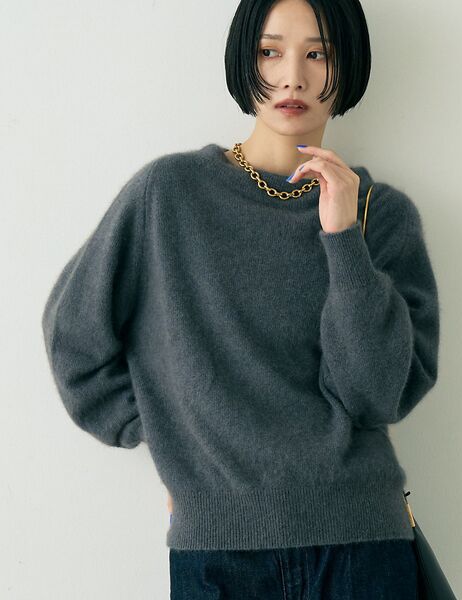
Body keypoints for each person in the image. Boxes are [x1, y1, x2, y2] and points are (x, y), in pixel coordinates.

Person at [41, 0, 440, 597]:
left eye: (319, 54)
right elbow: (75, 340)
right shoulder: (168, 195)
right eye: (270, 52)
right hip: (218, 555)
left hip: (363, 546)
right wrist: (175, 438)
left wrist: (341, 238)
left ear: (349, 66)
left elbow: (375, 396)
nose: (292, 77)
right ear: (243, 61)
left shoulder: (380, 217)